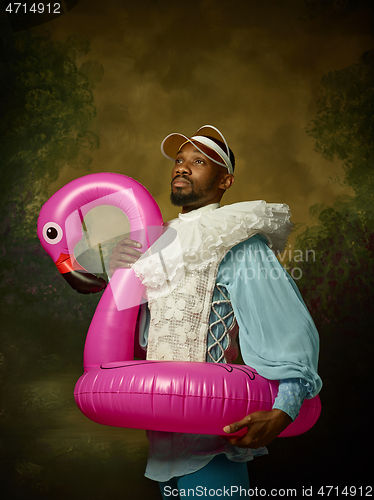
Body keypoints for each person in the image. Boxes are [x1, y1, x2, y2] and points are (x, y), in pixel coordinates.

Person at [109, 125, 322, 499]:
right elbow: (148, 335)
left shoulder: (234, 235)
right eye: (179, 160)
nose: (182, 167)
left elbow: (285, 321)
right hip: (163, 438)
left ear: (225, 180)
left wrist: (285, 408)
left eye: (199, 161)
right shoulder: (157, 241)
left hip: (215, 442)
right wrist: (123, 275)